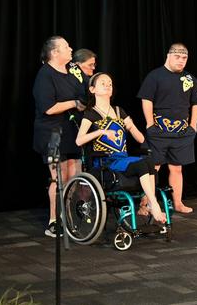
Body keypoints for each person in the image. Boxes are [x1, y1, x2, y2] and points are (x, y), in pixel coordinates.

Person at [76, 72, 166, 223]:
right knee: (141, 164)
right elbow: (79, 141)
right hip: (106, 161)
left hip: (122, 158)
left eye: (110, 83)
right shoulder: (91, 114)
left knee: (150, 162)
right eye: (103, 83)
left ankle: (147, 203)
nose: (108, 85)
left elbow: (141, 139)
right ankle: (154, 205)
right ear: (93, 90)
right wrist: (101, 131)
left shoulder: (119, 111)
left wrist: (131, 127)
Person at [137, 43, 197, 214]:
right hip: (159, 129)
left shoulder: (190, 78)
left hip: (182, 131)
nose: (181, 61)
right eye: (178, 57)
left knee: (177, 168)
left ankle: (178, 203)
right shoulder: (155, 76)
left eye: (184, 58)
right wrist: (149, 123)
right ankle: (144, 204)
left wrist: (193, 125)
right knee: (154, 167)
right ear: (168, 56)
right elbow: (147, 100)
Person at [32, 36, 86, 237]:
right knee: (59, 177)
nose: (71, 48)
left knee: (73, 175)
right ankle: (54, 221)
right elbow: (48, 108)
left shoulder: (72, 70)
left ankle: (67, 216)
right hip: (52, 132)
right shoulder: (45, 75)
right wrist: (74, 103)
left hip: (72, 131)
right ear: (55, 52)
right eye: (66, 46)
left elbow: (83, 91)